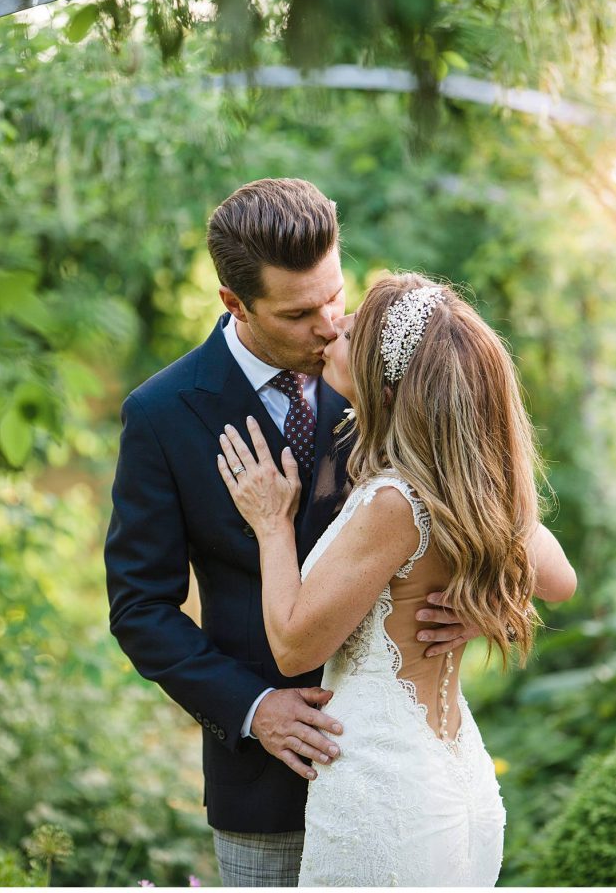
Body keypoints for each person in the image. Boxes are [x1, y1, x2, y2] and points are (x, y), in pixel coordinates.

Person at [104, 179, 469, 888]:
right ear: (234, 304)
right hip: (264, 786)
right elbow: (139, 607)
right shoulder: (161, 415)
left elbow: (466, 509)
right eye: (300, 312)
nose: (332, 326)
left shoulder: (384, 373)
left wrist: (469, 605)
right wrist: (252, 708)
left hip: (398, 765)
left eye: (336, 295)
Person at [217, 272, 578, 887]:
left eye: (355, 327)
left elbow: (294, 645)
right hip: (453, 772)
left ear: (387, 379)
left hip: (385, 793)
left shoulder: (394, 500)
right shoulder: (470, 482)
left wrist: (273, 525)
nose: (335, 328)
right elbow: (558, 580)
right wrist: (483, 599)